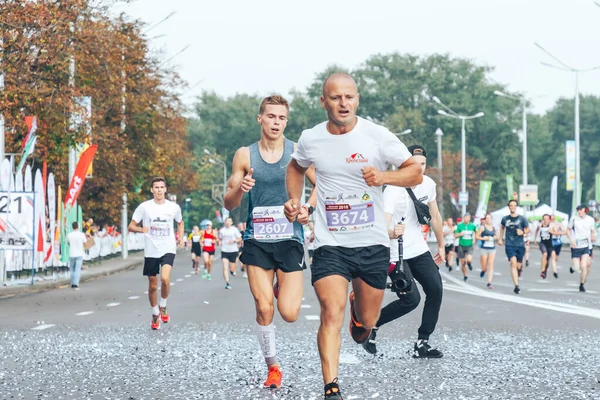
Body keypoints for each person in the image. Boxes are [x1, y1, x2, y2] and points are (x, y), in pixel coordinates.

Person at [284, 73, 422, 399]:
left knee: (367, 325)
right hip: (330, 244)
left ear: (357, 99)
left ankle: (359, 313)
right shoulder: (311, 138)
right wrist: (294, 200)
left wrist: (384, 176)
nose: (343, 103)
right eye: (335, 97)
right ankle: (331, 387)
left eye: (349, 97)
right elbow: (295, 168)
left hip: (372, 243)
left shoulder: (376, 135)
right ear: (324, 101)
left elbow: (415, 170)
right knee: (331, 314)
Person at [224, 95, 317, 390]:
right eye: (271, 116)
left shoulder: (297, 153)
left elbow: (322, 184)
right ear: (260, 119)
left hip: (290, 238)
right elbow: (229, 203)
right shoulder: (245, 155)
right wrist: (241, 188)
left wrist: (307, 210)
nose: (276, 122)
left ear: (286, 121)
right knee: (265, 308)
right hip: (257, 240)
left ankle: (279, 284)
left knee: (289, 313)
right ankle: (273, 366)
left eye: (282, 118)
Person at [360, 144, 444, 358]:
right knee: (411, 300)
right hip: (396, 253)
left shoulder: (428, 184)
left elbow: (434, 215)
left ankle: (422, 343)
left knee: (435, 290)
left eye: (423, 164)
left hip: (419, 249)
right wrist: (391, 233)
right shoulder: (395, 189)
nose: (419, 168)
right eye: (415, 164)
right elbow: (382, 224)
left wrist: (442, 246)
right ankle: (371, 326)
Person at [128, 177, 184, 330]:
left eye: (161, 187)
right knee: (153, 285)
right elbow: (131, 226)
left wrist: (181, 237)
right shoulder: (144, 207)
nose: (159, 190)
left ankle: (163, 306)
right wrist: (141, 229)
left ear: (165, 189)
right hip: (151, 249)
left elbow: (180, 222)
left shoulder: (173, 207)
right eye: (156, 187)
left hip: (168, 247)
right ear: (152, 190)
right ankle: (154, 313)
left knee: (165, 279)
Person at [498, 199, 529, 294]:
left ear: (516, 207)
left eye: (514, 205)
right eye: (511, 205)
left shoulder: (522, 219)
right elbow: (502, 228)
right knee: (513, 263)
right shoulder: (505, 219)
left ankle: (519, 269)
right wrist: (500, 238)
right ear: (509, 207)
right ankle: (516, 286)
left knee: (518, 266)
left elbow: (527, 230)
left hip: (520, 245)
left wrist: (523, 232)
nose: (512, 207)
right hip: (509, 244)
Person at [566, 205, 596, 292]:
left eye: (580, 210)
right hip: (576, 246)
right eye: (578, 210)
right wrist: (571, 240)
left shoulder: (590, 220)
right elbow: (568, 230)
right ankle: (573, 268)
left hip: (585, 246)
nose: (579, 212)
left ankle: (582, 284)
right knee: (576, 268)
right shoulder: (574, 219)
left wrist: (593, 236)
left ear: (585, 210)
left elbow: (592, 230)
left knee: (584, 265)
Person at [475, 213, 497, 289]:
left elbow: (496, 236)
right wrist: (484, 238)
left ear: (491, 219)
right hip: (484, 248)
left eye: (489, 218)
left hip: (492, 248)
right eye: (487, 218)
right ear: (485, 219)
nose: (488, 220)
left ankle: (489, 282)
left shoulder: (494, 228)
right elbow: (477, 236)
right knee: (485, 267)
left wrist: (494, 237)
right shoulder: (482, 228)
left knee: (491, 266)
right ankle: (483, 271)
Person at [219, 217, 242, 289]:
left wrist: (234, 241)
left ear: (232, 222)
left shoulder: (234, 230)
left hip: (233, 250)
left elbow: (240, 238)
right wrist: (220, 242)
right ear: (224, 222)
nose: (228, 222)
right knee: (225, 267)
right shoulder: (222, 230)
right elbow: (220, 238)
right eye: (227, 221)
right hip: (224, 250)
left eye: (229, 221)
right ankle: (227, 282)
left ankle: (232, 271)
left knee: (232, 268)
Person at [455, 213, 476, 282]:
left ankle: (469, 264)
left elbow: (477, 232)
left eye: (468, 218)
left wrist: (474, 239)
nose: (466, 219)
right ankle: (465, 275)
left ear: (470, 219)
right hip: (461, 245)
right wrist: (460, 234)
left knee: (469, 259)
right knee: (463, 262)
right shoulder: (460, 226)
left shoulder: (472, 226)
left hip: (469, 245)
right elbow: (455, 235)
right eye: (465, 217)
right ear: (463, 218)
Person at [67, 221, 88, 290]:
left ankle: (72, 283)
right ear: (78, 227)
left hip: (72, 253)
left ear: (72, 227)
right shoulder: (81, 235)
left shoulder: (69, 235)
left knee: (72, 269)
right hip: (79, 253)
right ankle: (76, 284)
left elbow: (68, 243)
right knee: (77, 269)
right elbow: (85, 244)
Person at [535, 214, 556, 279]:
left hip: (549, 244)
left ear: (549, 220)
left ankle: (545, 271)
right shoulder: (540, 225)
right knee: (544, 254)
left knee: (547, 260)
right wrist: (535, 239)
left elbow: (556, 233)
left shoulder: (551, 225)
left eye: (547, 219)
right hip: (542, 243)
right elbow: (537, 230)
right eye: (545, 219)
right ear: (542, 219)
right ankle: (543, 271)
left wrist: (551, 232)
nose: (546, 221)